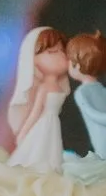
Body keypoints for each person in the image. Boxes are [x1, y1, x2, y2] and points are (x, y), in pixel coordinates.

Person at [7, 26, 70, 169]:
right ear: (34, 60)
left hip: (54, 124)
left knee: (52, 150)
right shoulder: (44, 88)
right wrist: (23, 132)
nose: (61, 56)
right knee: (38, 151)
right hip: (43, 124)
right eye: (52, 52)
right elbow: (35, 113)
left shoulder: (60, 87)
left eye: (63, 51)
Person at [66, 30, 106, 165]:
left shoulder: (96, 91)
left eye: (70, 60)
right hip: (105, 131)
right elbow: (92, 113)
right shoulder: (86, 92)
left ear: (77, 64)